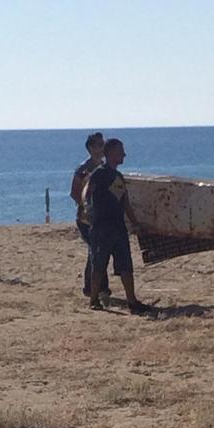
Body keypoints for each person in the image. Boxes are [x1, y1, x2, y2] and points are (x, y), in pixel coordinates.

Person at [86, 138, 152, 315]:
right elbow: (88, 194)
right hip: (101, 227)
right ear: (111, 153)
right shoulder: (99, 174)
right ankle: (94, 300)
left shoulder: (118, 176)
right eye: (121, 151)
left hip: (118, 227)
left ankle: (132, 301)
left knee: (125, 265)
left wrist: (135, 223)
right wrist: (88, 213)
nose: (124, 154)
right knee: (98, 264)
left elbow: (125, 202)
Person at [70, 132, 110, 300]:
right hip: (86, 218)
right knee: (95, 251)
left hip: (103, 217)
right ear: (91, 147)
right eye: (99, 145)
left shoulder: (105, 167)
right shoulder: (83, 169)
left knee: (98, 250)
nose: (102, 148)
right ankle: (95, 287)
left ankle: (97, 286)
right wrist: (87, 207)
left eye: (103, 145)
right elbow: (74, 193)